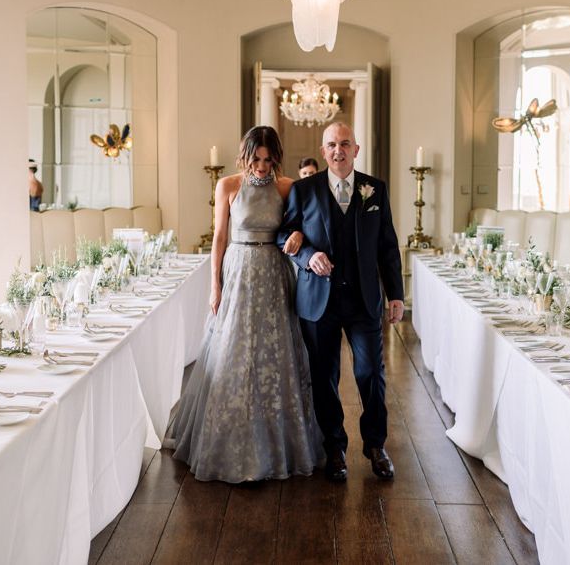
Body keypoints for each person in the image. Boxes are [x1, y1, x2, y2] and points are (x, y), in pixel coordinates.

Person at [172, 126, 323, 482]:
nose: (262, 167)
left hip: (273, 271)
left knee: (276, 355)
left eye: (269, 161)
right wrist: (214, 286)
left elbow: (298, 228)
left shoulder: (288, 187)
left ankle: (277, 445)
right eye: (256, 159)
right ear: (246, 155)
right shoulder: (227, 185)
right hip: (238, 270)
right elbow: (219, 238)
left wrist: (299, 234)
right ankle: (227, 442)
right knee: (232, 352)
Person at [279, 121, 404, 482]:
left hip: (364, 300)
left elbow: (388, 245)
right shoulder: (304, 190)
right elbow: (284, 235)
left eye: (345, 144)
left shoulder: (374, 190)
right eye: (332, 145)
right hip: (318, 300)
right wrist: (307, 256)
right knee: (324, 376)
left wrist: (395, 293)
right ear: (323, 152)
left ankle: (376, 445)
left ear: (356, 149)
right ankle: (334, 447)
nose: (338, 150)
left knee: (371, 374)